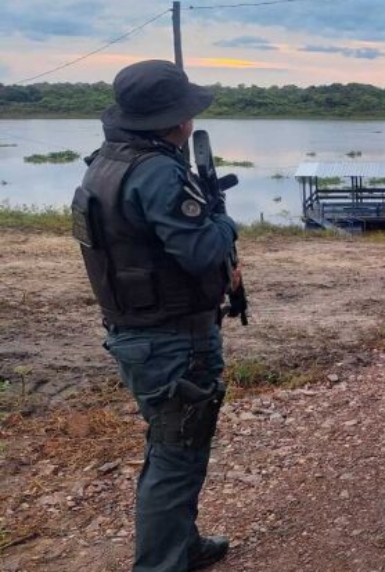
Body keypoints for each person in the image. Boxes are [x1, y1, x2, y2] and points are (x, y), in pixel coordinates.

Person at [71, 59, 237, 571]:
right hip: (171, 340)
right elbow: (202, 251)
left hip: (139, 333)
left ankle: (181, 545)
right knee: (175, 457)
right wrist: (224, 221)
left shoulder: (107, 161)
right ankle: (162, 562)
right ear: (177, 120)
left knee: (172, 446)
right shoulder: (159, 171)